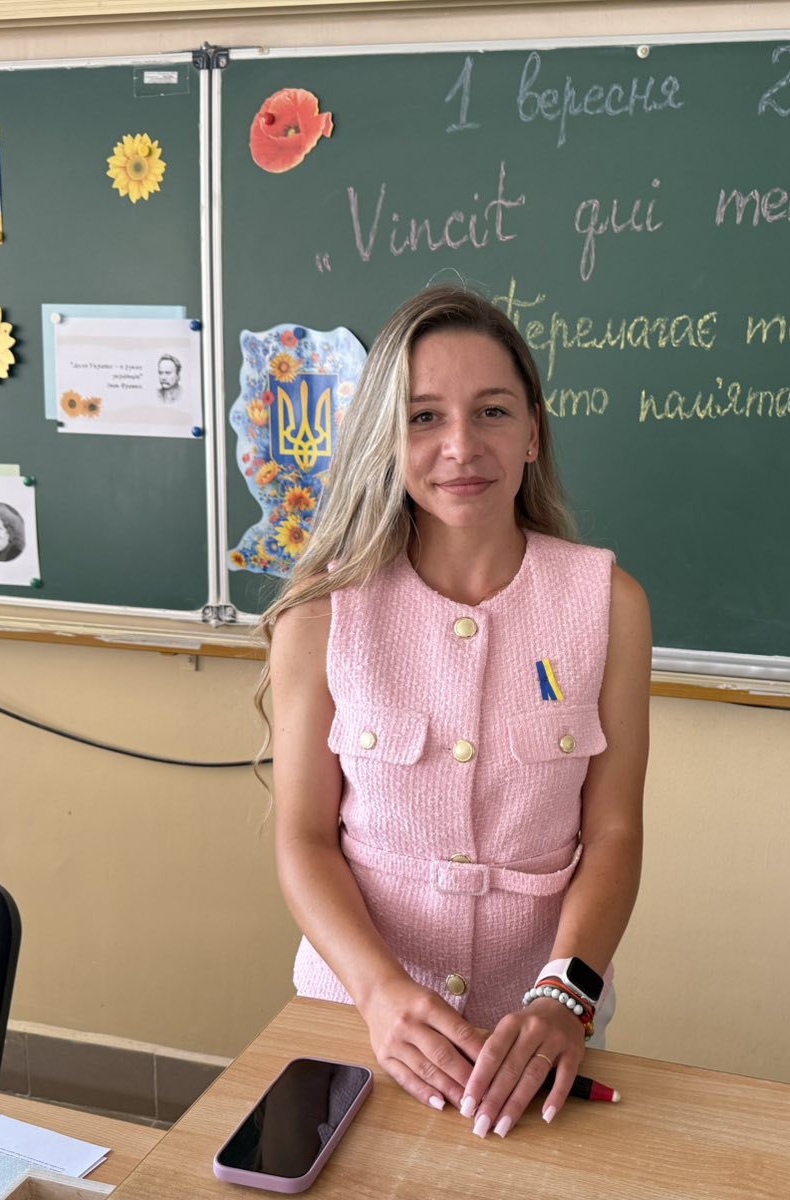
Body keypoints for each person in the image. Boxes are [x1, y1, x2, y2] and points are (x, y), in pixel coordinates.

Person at [260, 285, 650, 1141]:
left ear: (533, 432)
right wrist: (379, 993)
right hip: (356, 1018)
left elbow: (615, 832)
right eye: (424, 417)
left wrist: (566, 997)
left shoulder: (608, 604)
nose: (462, 446)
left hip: (540, 1037)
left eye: (493, 411)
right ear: (385, 437)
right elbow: (304, 840)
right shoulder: (321, 615)